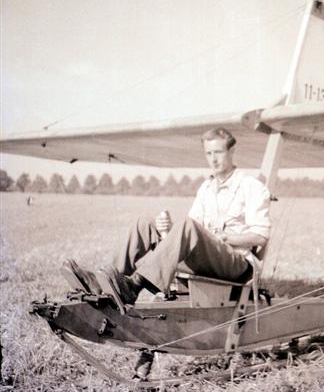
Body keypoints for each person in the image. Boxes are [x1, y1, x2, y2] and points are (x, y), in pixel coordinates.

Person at [69, 127, 271, 305]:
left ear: (232, 151)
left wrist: (225, 238)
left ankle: (134, 286)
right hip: (208, 258)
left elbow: (260, 236)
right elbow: (193, 231)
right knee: (145, 224)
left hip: (236, 263)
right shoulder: (206, 188)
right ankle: (102, 283)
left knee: (186, 224)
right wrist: (167, 229)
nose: (213, 159)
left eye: (218, 152)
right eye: (208, 153)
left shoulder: (251, 187)